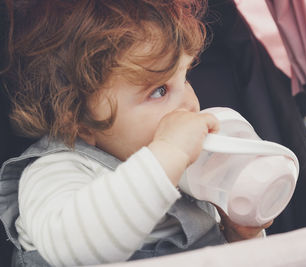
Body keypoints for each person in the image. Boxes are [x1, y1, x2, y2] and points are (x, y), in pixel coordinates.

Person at [0, 0, 271, 266]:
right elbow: (72, 249)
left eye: (186, 77)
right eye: (159, 91)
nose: (190, 103)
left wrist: (238, 236)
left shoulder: (189, 174)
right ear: (80, 121)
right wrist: (168, 153)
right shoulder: (56, 171)